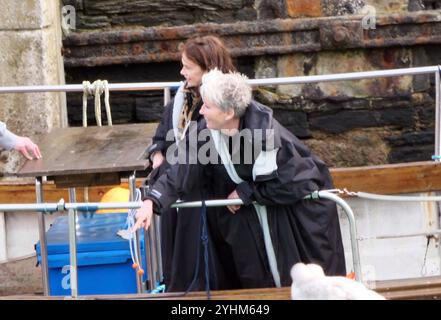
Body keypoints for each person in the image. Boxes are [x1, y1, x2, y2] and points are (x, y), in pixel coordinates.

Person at [135, 69, 346, 291]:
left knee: (297, 280)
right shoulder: (205, 131)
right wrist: (152, 201)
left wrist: (247, 192)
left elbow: (300, 179)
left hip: (291, 218)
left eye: (207, 106)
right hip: (252, 219)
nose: (202, 111)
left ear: (228, 113)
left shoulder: (267, 133)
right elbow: (180, 168)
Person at [142, 35, 236, 291]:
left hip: (209, 190)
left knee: (208, 261)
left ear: (207, 69)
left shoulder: (224, 102)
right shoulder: (180, 99)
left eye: (187, 67)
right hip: (177, 184)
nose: (181, 72)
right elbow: (161, 135)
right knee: (178, 255)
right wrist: (157, 154)